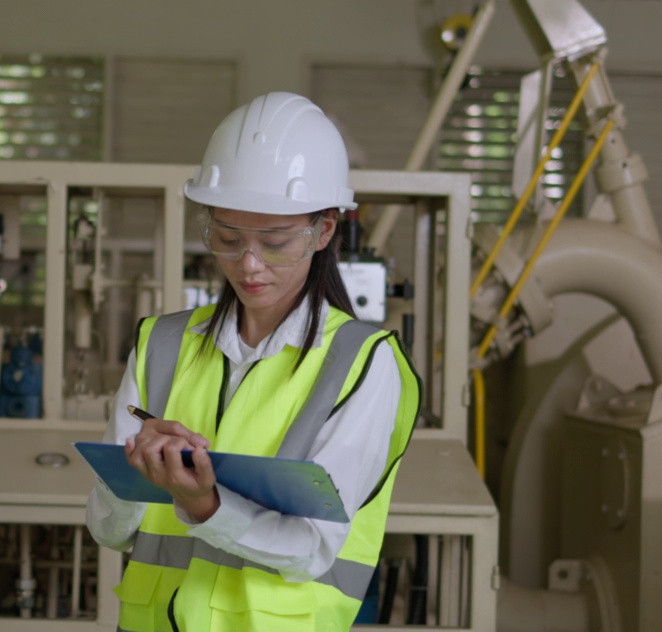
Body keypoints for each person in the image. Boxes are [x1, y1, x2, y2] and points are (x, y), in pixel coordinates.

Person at [86, 92, 420, 631]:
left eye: (277, 241)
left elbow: (313, 549)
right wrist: (132, 478)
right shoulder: (162, 344)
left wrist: (205, 505)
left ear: (325, 230)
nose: (249, 264)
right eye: (228, 237)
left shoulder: (361, 364)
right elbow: (109, 531)